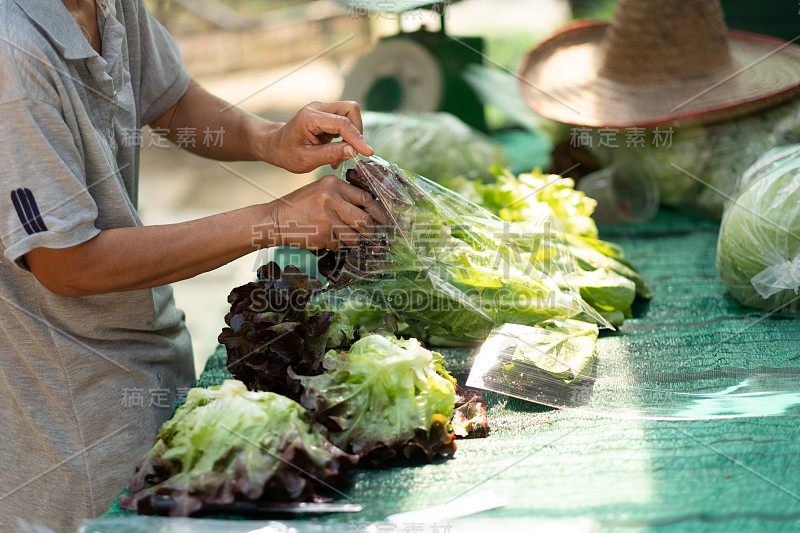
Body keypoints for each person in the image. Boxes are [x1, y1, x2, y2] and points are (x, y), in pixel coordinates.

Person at [0, 0, 384, 531]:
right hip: (71, 408)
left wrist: (268, 139)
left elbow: (172, 102)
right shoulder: (13, 53)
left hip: (146, 351)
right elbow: (66, 264)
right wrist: (272, 220)